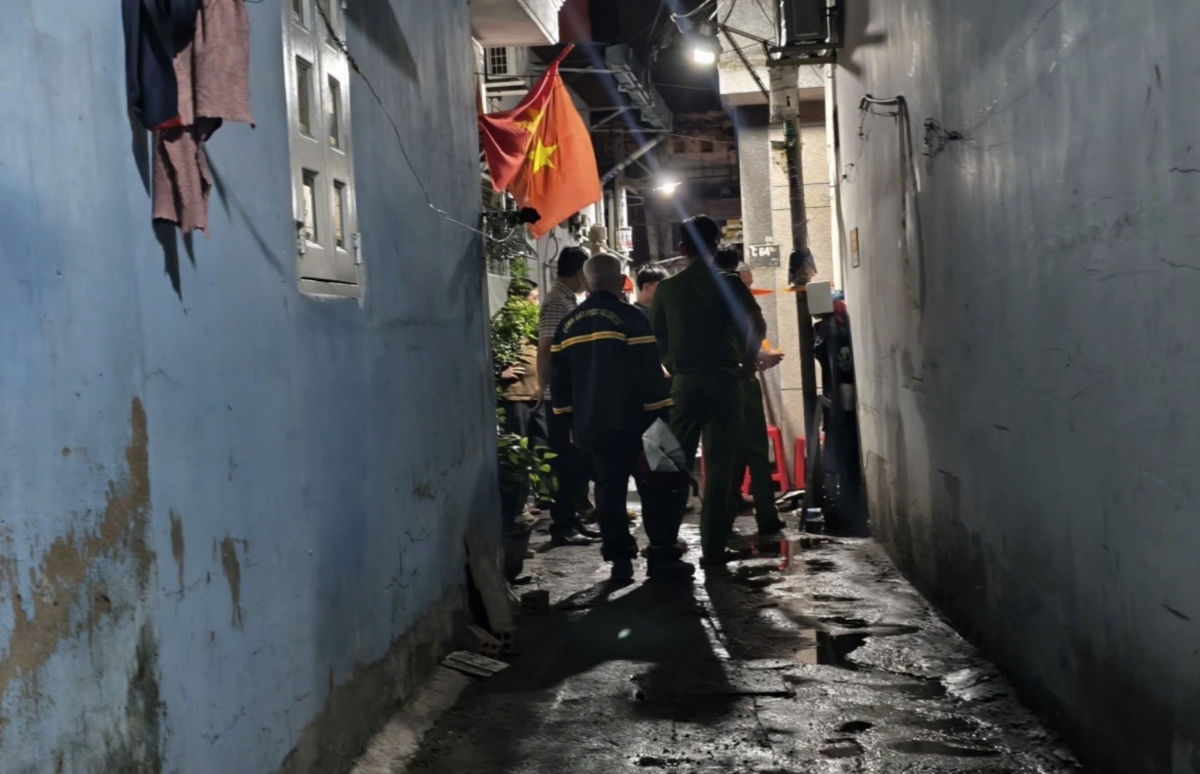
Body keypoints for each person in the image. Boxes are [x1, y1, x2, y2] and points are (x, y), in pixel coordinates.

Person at [551, 254, 695, 582]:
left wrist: (572, 424)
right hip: (636, 422)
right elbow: (648, 372)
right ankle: (660, 552)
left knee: (608, 491)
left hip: (593, 427)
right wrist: (661, 414)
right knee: (654, 486)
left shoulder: (568, 324)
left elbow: (559, 384)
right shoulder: (629, 317)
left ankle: (619, 559)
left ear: (586, 282)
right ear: (620, 282)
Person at [650, 216, 768, 566]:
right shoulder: (730, 282)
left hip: (685, 385)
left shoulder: (668, 289)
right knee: (719, 467)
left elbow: (656, 337)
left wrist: (672, 364)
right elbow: (756, 325)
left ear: (682, 249)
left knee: (673, 463)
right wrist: (747, 363)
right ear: (717, 246)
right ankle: (713, 550)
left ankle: (665, 542)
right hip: (726, 381)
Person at [714, 249, 787, 537]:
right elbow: (755, 327)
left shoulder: (702, 296)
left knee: (727, 454)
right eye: (747, 282)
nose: (749, 288)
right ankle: (766, 516)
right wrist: (749, 362)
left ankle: (722, 518)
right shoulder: (733, 294)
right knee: (755, 451)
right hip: (740, 383)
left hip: (715, 382)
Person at [537, 247, 600, 547]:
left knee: (575, 461)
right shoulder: (556, 302)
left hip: (568, 395)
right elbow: (546, 346)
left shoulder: (567, 299)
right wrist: (541, 387)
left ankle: (573, 520)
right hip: (557, 398)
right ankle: (561, 526)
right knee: (564, 461)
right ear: (579, 272)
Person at [497, 279, 548, 449]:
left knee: (543, 444)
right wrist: (498, 372)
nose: (537, 303)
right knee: (519, 445)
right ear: (519, 299)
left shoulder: (535, 322)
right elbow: (486, 354)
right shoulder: (504, 325)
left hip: (537, 394)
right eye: (533, 298)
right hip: (517, 396)